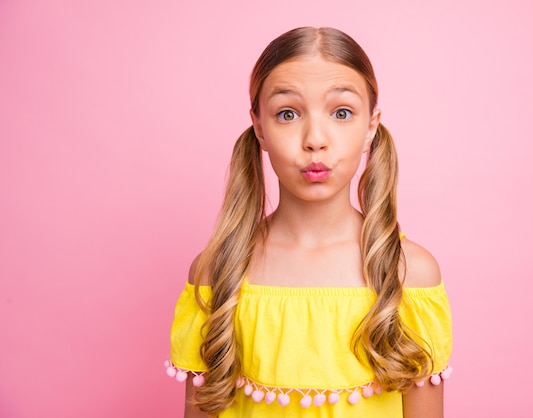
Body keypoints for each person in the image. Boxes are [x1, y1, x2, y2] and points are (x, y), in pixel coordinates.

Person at [165, 27, 453, 418]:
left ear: (370, 125)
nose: (315, 139)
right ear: (259, 126)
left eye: (341, 113)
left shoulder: (408, 274)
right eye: (287, 114)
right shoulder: (218, 272)